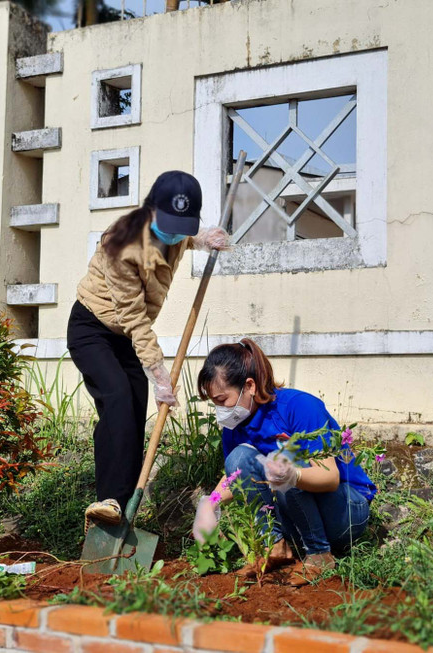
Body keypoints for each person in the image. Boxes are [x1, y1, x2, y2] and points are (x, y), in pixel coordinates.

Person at [70, 171, 229, 530]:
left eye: (183, 225)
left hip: (126, 338)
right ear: (150, 209)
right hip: (93, 328)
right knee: (117, 398)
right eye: (169, 223)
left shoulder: (175, 230)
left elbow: (183, 240)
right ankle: (107, 498)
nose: (175, 232)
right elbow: (135, 319)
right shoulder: (122, 242)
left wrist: (203, 239)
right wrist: (160, 375)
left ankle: (119, 510)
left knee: (133, 414)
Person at [191, 338, 377, 576]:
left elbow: (329, 478)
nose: (221, 410)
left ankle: (320, 555)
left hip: (345, 514)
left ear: (249, 386)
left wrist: (293, 474)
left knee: (287, 458)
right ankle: (276, 546)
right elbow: (236, 474)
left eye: (222, 400)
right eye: (215, 403)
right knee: (238, 458)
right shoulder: (235, 425)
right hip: (299, 518)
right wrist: (211, 502)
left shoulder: (298, 406)